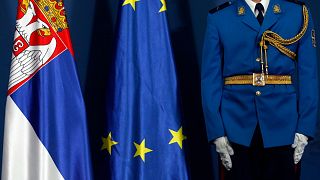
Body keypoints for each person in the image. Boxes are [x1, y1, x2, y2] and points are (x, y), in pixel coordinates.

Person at [201, 0, 318, 179]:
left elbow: (309, 75)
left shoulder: (297, 14)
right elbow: (210, 80)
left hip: (284, 126)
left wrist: (305, 129)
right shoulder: (219, 17)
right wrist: (216, 132)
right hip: (235, 127)